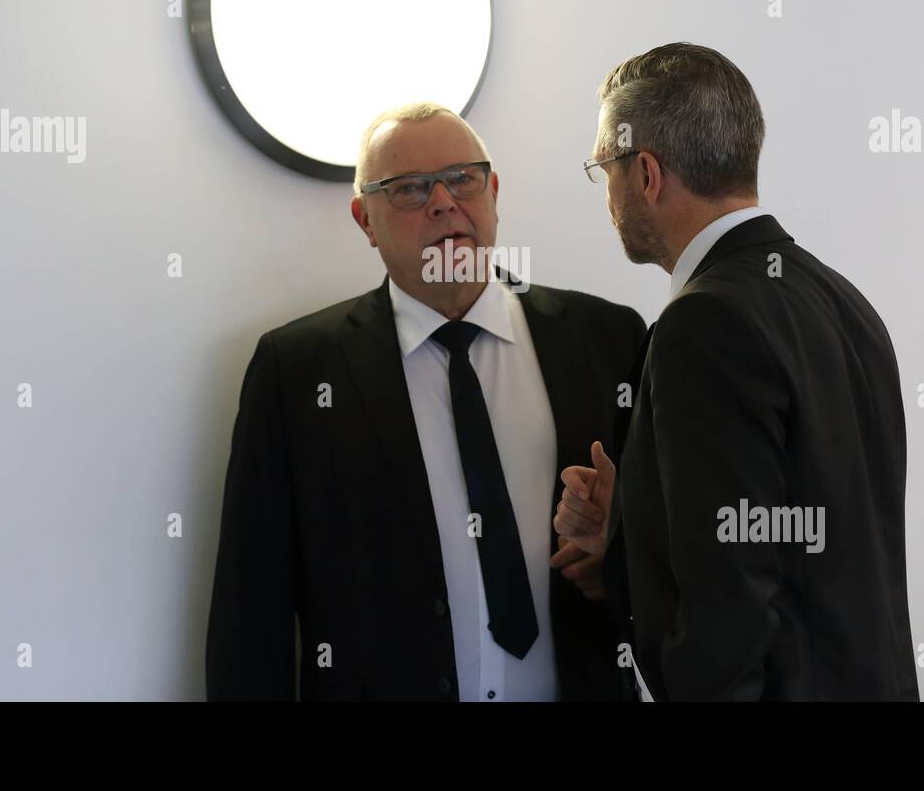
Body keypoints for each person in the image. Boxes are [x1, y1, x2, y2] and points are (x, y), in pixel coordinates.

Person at [207, 102, 646, 700]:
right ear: (365, 219)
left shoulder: (607, 338)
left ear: (493, 192)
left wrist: (618, 560)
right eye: (409, 189)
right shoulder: (297, 371)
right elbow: (250, 607)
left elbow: (674, 558)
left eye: (462, 177)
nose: (443, 201)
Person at [555, 43, 919, 701]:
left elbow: (729, 609)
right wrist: (637, 515)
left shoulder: (705, 324)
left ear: (646, 174)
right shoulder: (844, 301)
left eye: (603, 166)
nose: (605, 189)